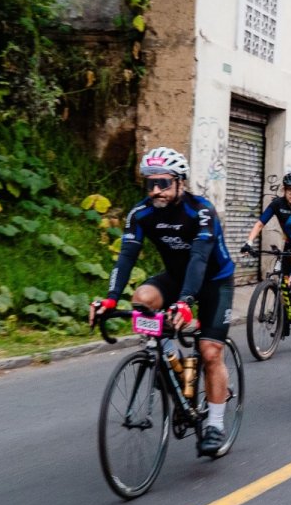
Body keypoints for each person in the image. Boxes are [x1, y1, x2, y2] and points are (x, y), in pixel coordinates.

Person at [89, 147, 236, 456]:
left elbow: (199, 258)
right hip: (175, 275)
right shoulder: (140, 213)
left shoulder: (201, 211)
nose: (156, 190)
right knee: (142, 299)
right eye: (150, 184)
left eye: (164, 183)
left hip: (213, 280)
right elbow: (126, 257)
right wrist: (110, 300)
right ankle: (167, 358)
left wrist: (184, 301)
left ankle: (215, 425)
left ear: (180, 183)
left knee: (210, 352)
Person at [241, 169, 291, 298]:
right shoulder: (277, 204)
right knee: (285, 279)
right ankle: (285, 312)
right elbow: (260, 224)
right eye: (289, 190)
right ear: (284, 190)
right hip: (289, 244)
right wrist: (249, 242)